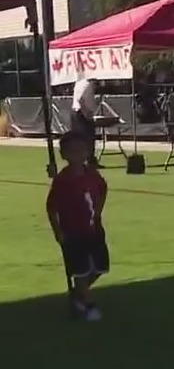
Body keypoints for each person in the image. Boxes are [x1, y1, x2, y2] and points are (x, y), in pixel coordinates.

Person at [47, 131, 110, 321]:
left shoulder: (92, 173)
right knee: (80, 269)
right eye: (72, 151)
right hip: (73, 232)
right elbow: (51, 207)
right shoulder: (62, 180)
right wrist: (58, 231)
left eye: (81, 150)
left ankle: (78, 292)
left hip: (94, 229)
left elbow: (103, 189)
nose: (78, 155)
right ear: (64, 155)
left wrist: (98, 212)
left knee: (100, 267)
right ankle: (89, 304)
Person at [69, 77, 99, 166]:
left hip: (76, 111)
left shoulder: (79, 82)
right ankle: (88, 160)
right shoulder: (88, 85)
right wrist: (86, 113)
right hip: (81, 113)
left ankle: (86, 160)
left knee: (81, 137)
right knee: (87, 138)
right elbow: (81, 99)